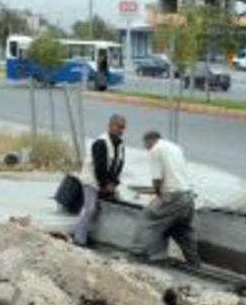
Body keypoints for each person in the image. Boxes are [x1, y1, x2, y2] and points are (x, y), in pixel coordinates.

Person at [133, 131, 200, 266]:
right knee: (180, 229)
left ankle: (140, 253)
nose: (146, 149)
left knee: (147, 217)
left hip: (173, 195)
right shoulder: (175, 148)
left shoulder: (155, 149)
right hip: (187, 195)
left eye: (145, 146)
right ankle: (194, 262)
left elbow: (157, 179)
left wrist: (158, 194)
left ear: (149, 141)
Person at [72, 114, 127, 246]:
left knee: (112, 206)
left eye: (123, 128)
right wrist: (105, 185)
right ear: (110, 126)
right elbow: (99, 167)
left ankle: (95, 236)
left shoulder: (120, 145)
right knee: (90, 208)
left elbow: (119, 165)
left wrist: (114, 183)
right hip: (91, 179)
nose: (121, 130)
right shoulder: (101, 143)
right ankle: (79, 239)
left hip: (105, 181)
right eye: (118, 127)